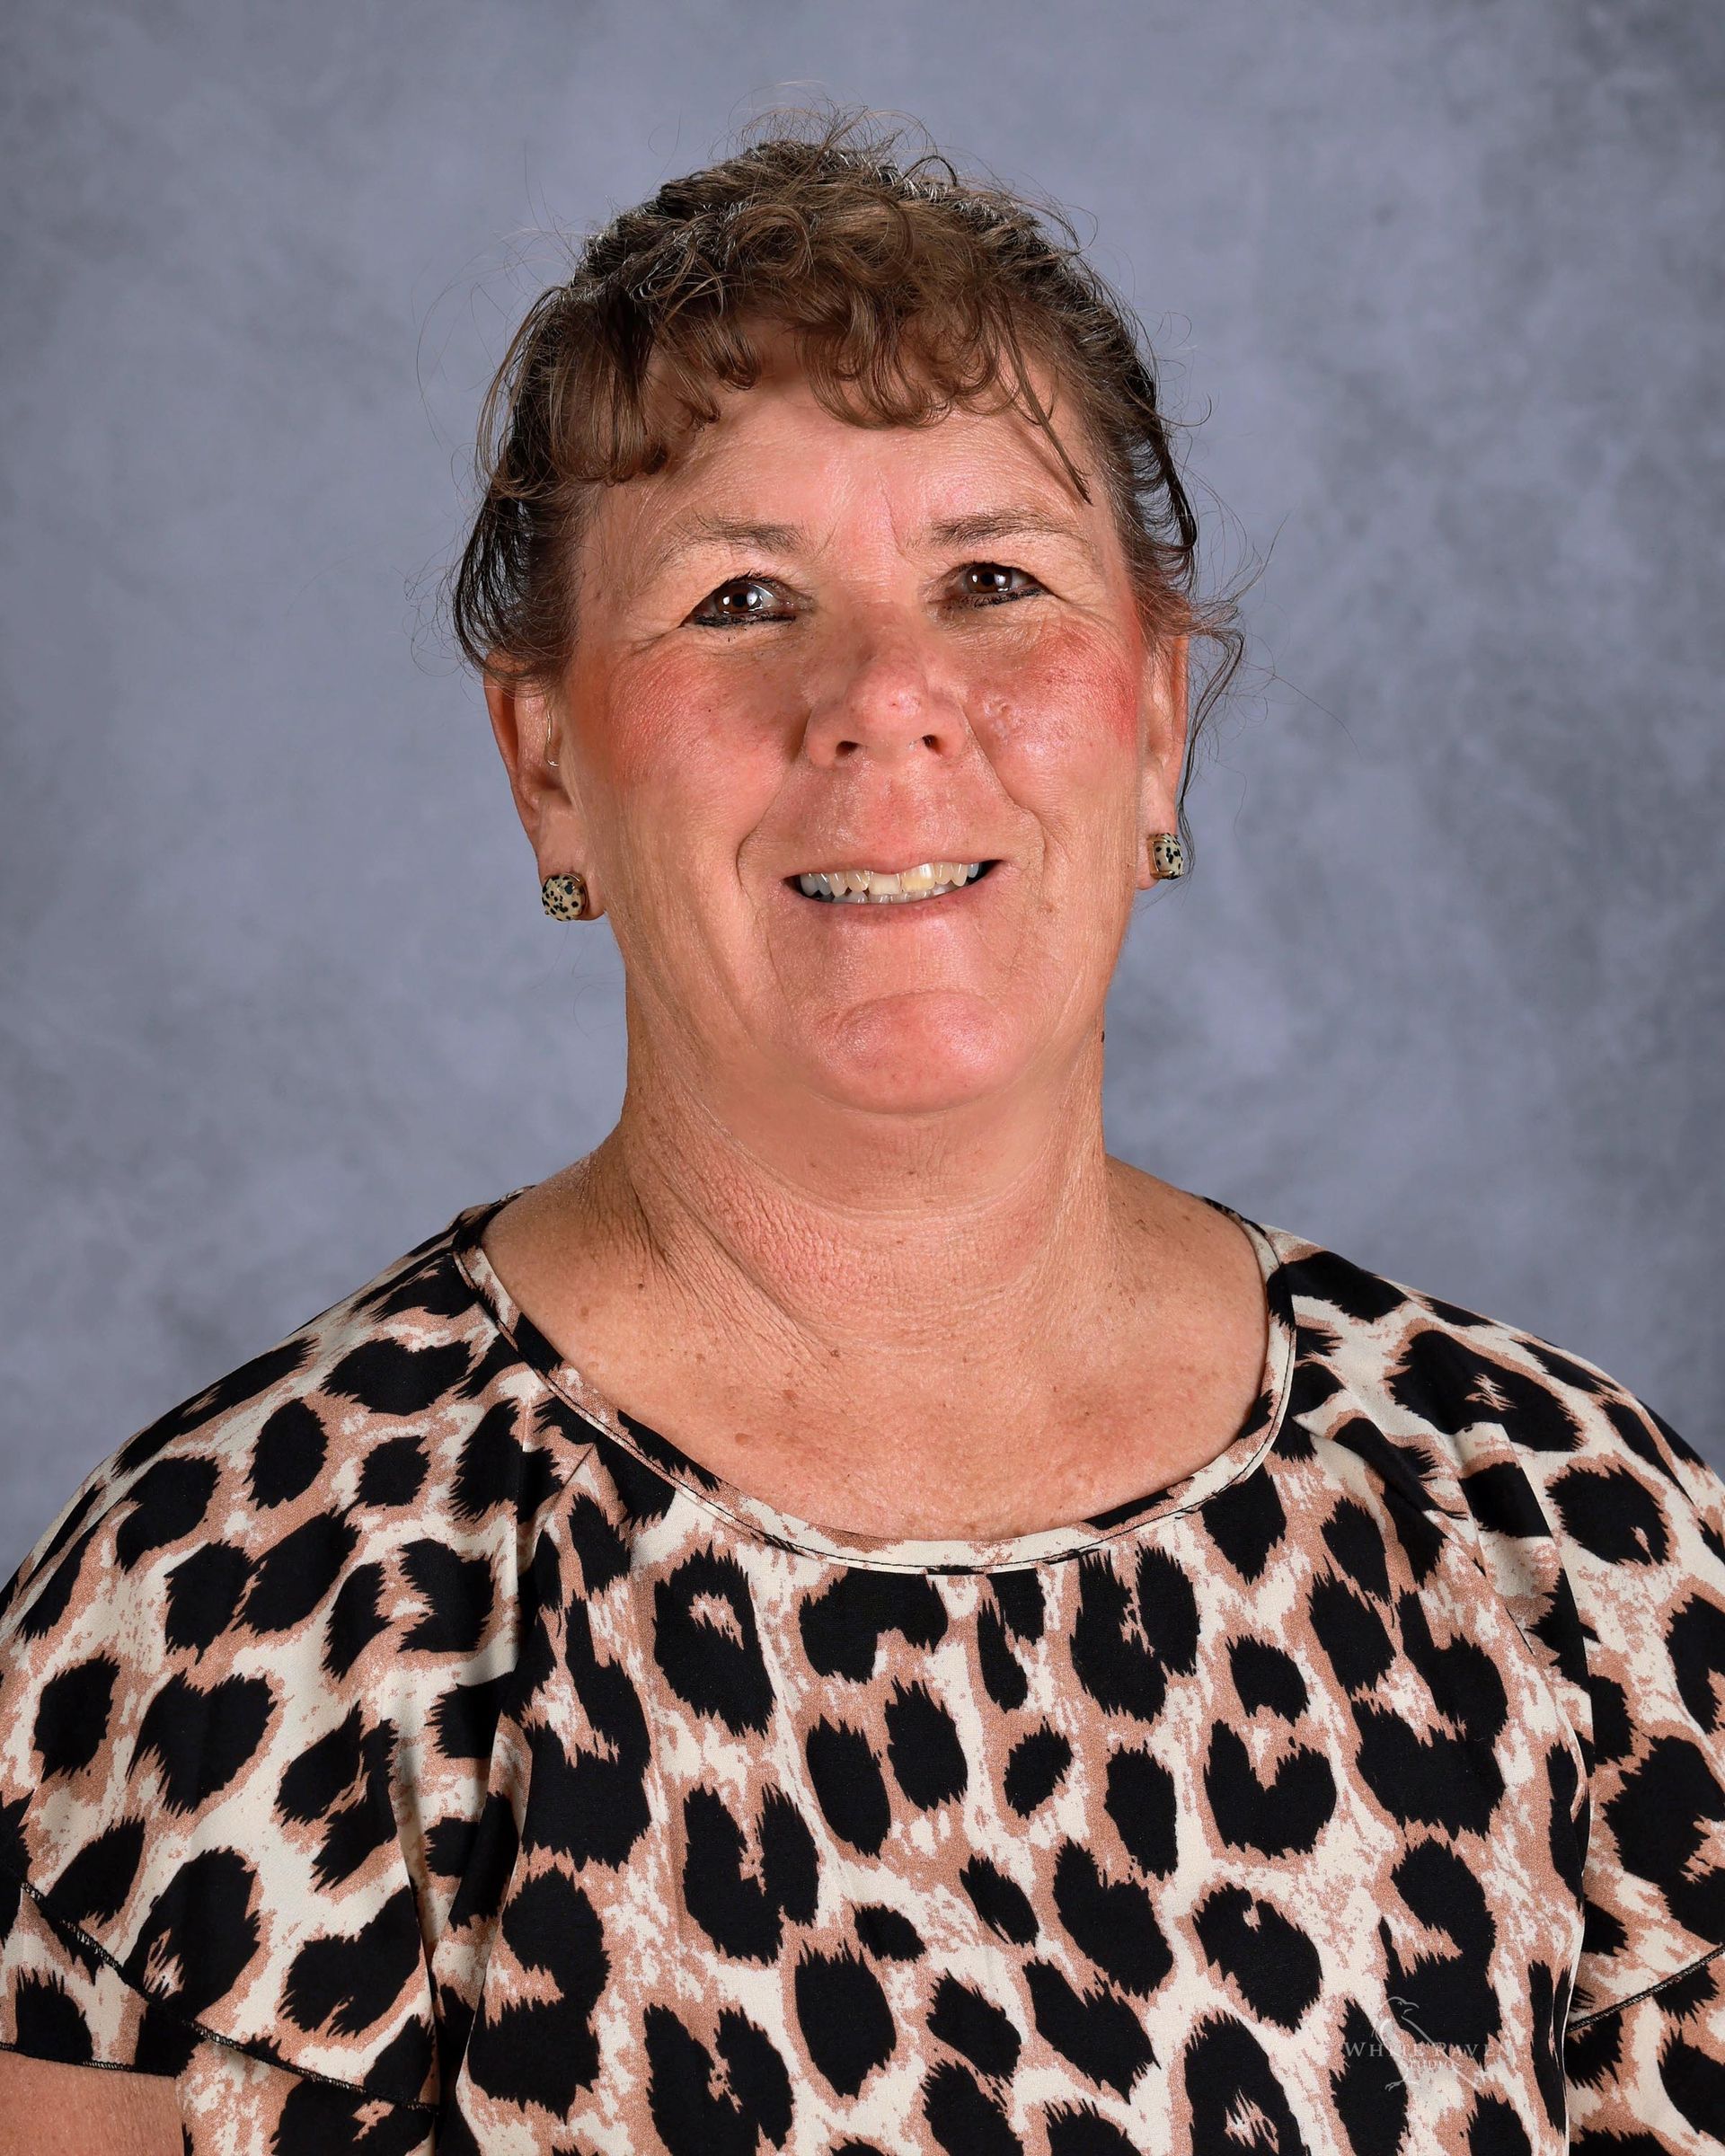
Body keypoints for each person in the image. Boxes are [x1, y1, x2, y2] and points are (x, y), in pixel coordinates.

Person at [1, 110, 1721, 2156]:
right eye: (741, 599)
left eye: (995, 578)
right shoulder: (233, 1617)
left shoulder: (1573, 1553)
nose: (888, 698)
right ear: (547, 761)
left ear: (1159, 720)